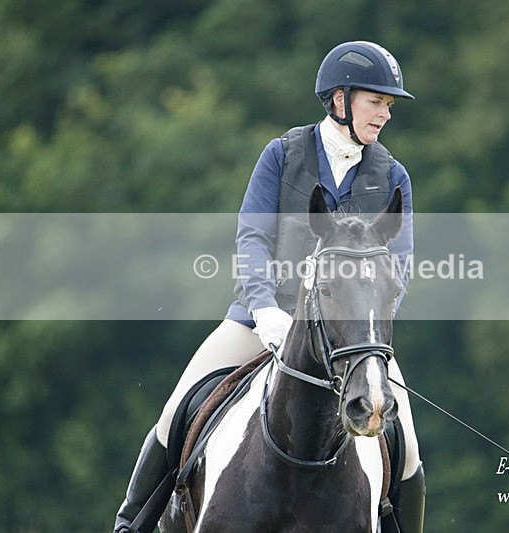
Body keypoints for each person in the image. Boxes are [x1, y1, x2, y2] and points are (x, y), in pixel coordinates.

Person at [114, 41, 425, 532]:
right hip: (263, 322)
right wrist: (263, 309)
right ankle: (130, 525)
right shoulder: (282, 155)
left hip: (352, 339)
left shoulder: (392, 177)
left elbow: (399, 269)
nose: (385, 115)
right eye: (377, 102)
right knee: (176, 412)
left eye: (388, 106)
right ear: (340, 100)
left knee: (405, 447)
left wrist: (366, 332)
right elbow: (253, 237)